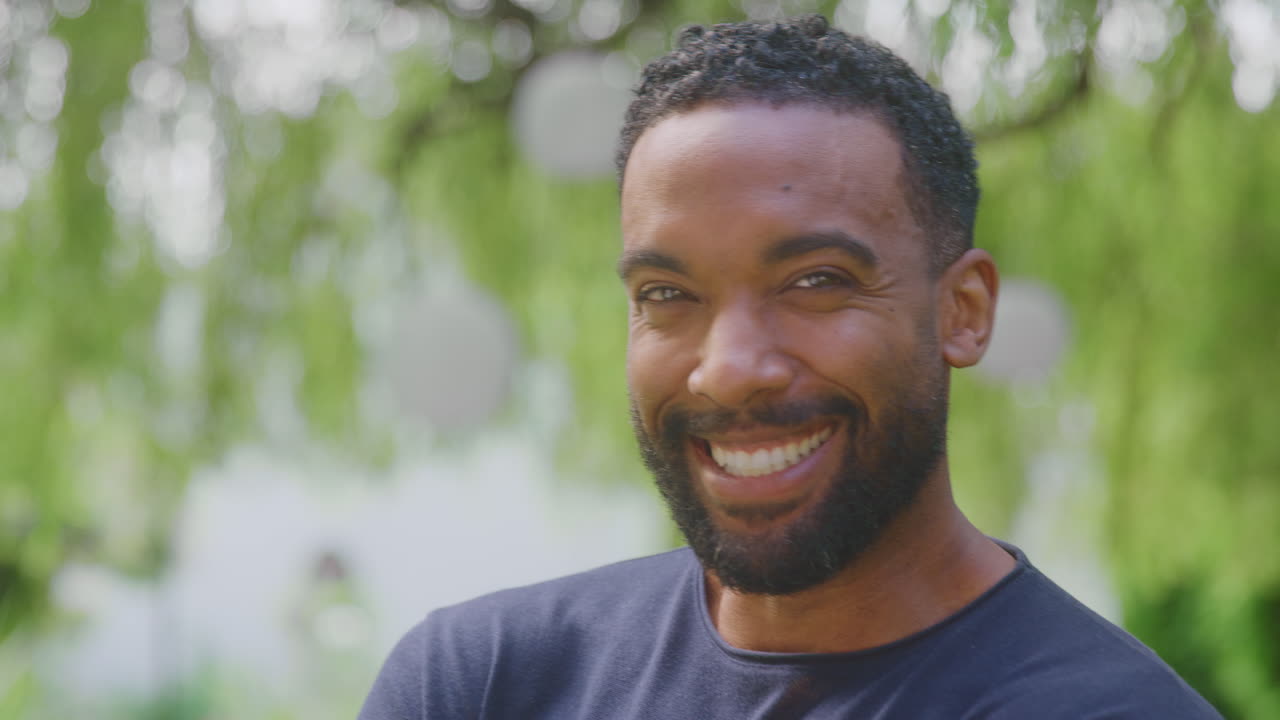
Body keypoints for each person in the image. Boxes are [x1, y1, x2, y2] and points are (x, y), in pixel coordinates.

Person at [360, 15, 1221, 719]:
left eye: (816, 281)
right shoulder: (478, 686)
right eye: (667, 294)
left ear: (963, 312)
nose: (729, 371)